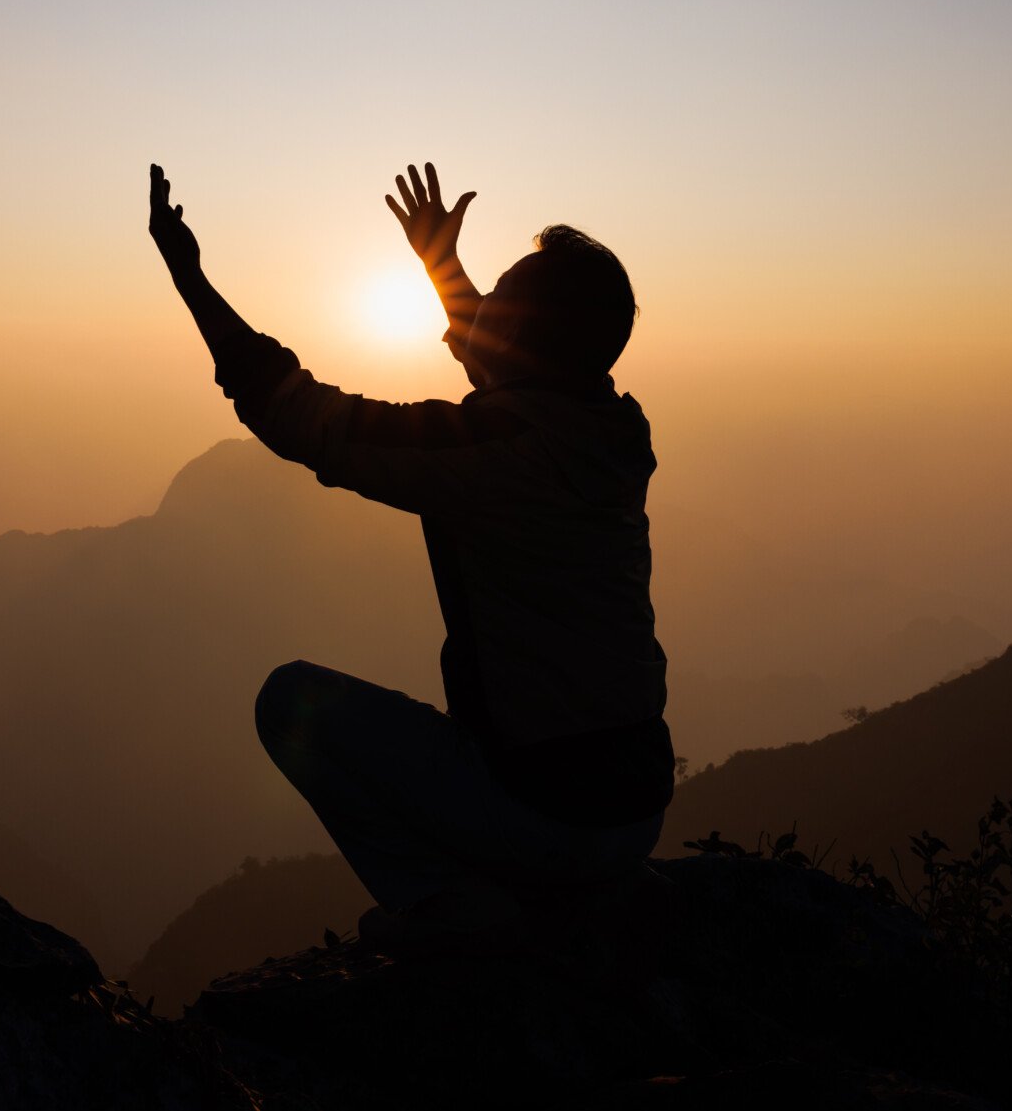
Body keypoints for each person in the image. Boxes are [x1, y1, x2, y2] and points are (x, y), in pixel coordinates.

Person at [147, 161, 672, 957]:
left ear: (522, 335)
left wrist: (190, 278)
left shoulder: (497, 448)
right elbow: (511, 367)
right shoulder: (608, 429)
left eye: (500, 300)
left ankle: (453, 909)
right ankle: (565, 883)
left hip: (547, 813)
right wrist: (442, 265)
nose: (483, 309)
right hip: (633, 812)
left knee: (289, 701)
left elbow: (303, 418)